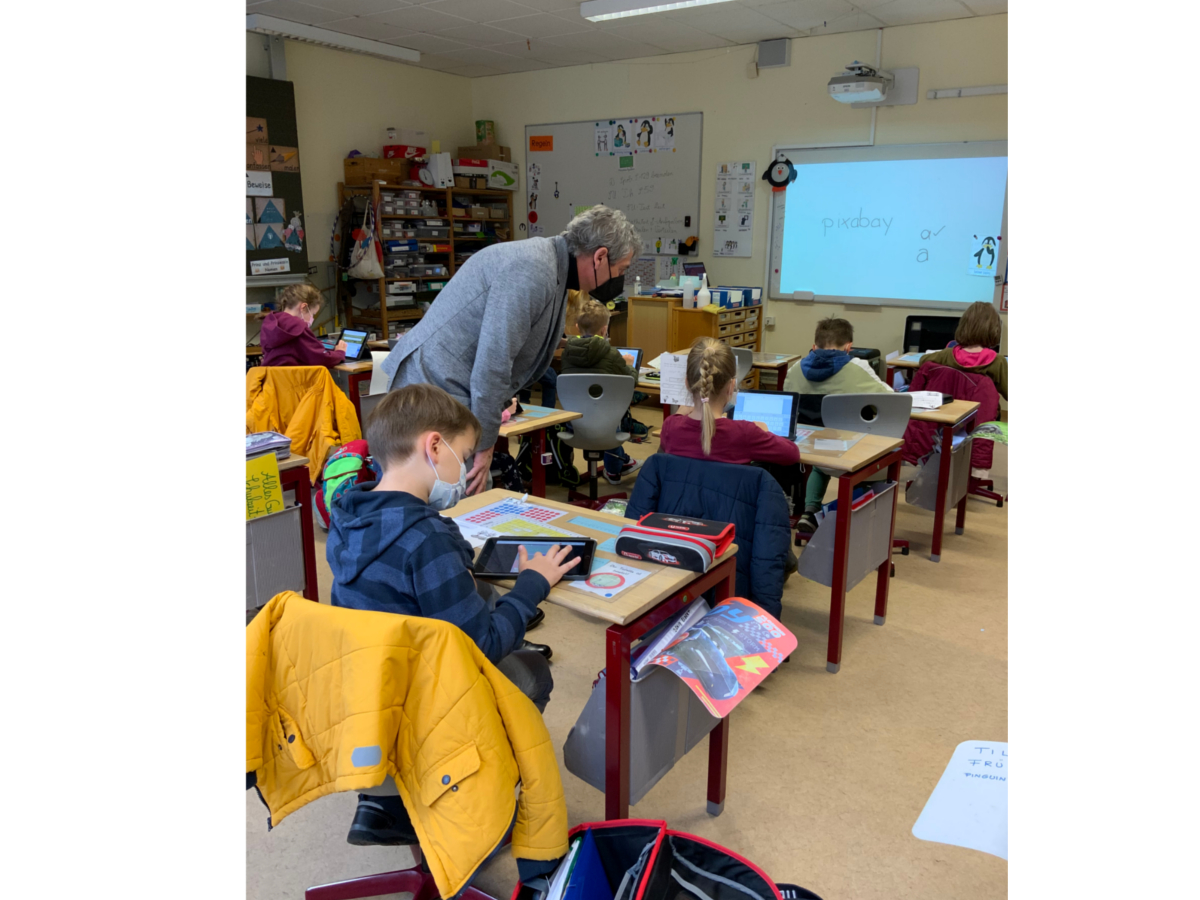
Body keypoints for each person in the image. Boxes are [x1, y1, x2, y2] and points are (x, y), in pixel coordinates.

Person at [325, 384, 580, 846]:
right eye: (464, 456)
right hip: (419, 710)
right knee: (531, 670)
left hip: (364, 698)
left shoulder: (349, 515)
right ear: (434, 446)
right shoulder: (426, 541)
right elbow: (481, 645)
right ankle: (473, 799)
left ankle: (384, 804)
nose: (464, 470)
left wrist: (445, 534)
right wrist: (530, 587)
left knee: (479, 593)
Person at [382, 205, 641, 496]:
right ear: (600, 256)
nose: (618, 280)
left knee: (467, 502)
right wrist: (485, 445)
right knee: (457, 499)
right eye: (621, 271)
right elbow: (493, 364)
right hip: (433, 389)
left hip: (446, 388)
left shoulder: (554, 269)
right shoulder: (534, 269)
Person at [784, 316, 891, 534]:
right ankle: (846, 512)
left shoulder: (795, 369)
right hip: (848, 450)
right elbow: (889, 399)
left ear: (814, 346)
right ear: (849, 347)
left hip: (807, 447)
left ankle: (810, 510)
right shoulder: (857, 366)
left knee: (825, 444)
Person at [660, 337, 800, 466]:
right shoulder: (746, 433)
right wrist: (764, 432)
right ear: (731, 386)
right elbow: (792, 454)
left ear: (687, 383)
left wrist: (678, 414)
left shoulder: (670, 427)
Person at [560, 299, 643, 484]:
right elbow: (632, 382)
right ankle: (613, 471)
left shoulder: (567, 353)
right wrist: (630, 366)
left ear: (576, 327)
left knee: (601, 411)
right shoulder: (611, 354)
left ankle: (622, 463)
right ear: (604, 330)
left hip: (574, 425)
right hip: (606, 426)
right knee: (611, 410)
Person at [921, 301, 1007, 399]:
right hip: (982, 412)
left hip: (948, 410)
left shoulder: (946, 355)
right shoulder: (998, 361)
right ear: (994, 329)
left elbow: (923, 361)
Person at [259, 283, 346, 368]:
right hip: (294, 380)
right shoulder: (297, 326)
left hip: (273, 380)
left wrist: (319, 345)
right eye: (312, 313)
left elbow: (292, 348)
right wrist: (340, 352)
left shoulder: (271, 322)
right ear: (303, 307)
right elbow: (322, 359)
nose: (312, 318)